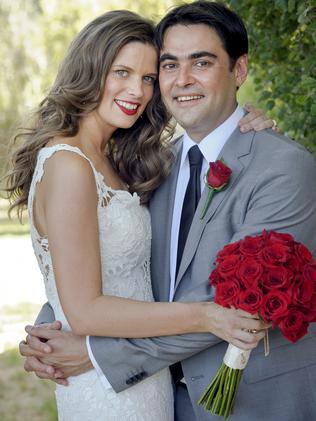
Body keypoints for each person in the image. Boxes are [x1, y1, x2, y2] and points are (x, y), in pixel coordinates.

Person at [12, 3, 290, 421]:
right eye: (121, 72)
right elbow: (84, 308)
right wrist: (208, 315)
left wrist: (248, 132)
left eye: (146, 78)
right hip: (106, 391)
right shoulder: (69, 164)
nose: (138, 92)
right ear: (90, 67)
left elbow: (115, 266)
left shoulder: (127, 162)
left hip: (149, 384)